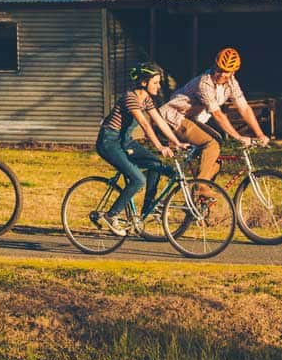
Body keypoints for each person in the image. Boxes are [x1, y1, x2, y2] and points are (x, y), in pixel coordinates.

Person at [95, 60, 185, 236]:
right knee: (138, 179)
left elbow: (159, 120)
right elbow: (144, 123)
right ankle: (111, 215)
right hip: (109, 142)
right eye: (155, 82)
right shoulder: (130, 98)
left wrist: (177, 141)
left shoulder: (147, 100)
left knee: (156, 165)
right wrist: (160, 146)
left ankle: (146, 210)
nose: (159, 87)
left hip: (125, 141)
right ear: (144, 82)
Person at [161, 47, 270, 181]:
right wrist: (238, 137)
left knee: (216, 150)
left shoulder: (232, 83)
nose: (222, 75)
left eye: (227, 72)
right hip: (173, 116)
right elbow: (218, 115)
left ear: (234, 72)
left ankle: (201, 196)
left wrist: (259, 134)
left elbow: (244, 108)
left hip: (191, 118)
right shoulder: (204, 83)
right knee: (211, 144)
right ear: (214, 65)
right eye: (219, 70)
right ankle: (200, 186)